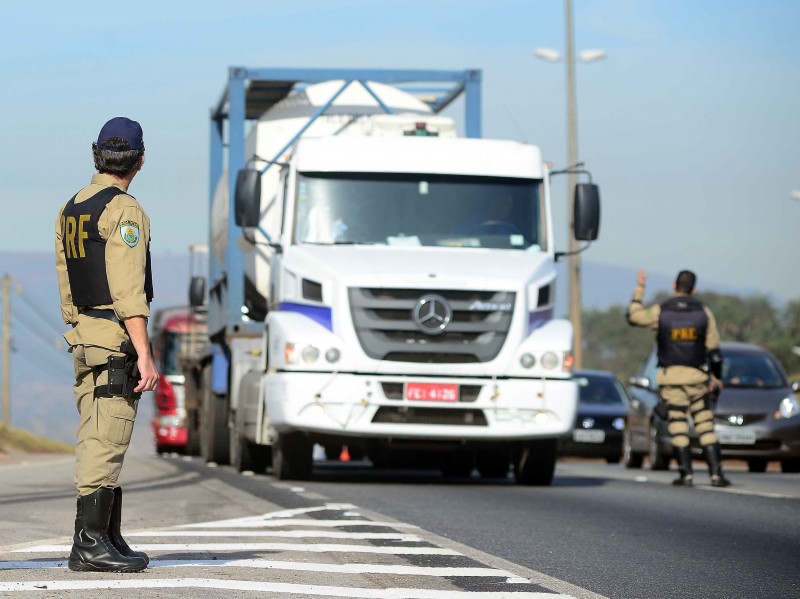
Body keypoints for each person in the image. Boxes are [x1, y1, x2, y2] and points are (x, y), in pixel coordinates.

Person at [55, 117, 158, 572]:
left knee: (98, 431)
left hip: (84, 335)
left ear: (96, 155)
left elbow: (66, 283)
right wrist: (146, 352)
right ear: (140, 159)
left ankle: (108, 536)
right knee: (106, 436)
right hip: (113, 337)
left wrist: (79, 329)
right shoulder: (125, 211)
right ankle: (89, 542)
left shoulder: (72, 208)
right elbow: (128, 290)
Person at [626, 269, 731, 488]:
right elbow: (715, 353)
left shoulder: (662, 311)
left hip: (671, 379)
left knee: (678, 425)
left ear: (674, 287)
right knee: (704, 425)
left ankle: (686, 474)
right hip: (697, 379)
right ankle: (716, 474)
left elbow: (633, 317)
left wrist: (640, 289)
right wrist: (717, 378)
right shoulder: (704, 313)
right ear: (694, 290)